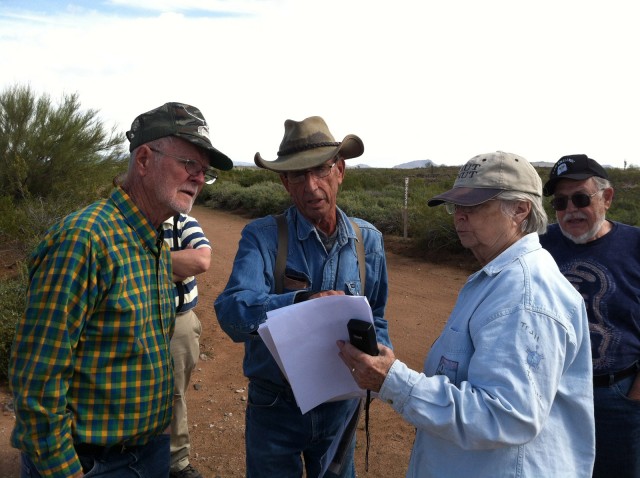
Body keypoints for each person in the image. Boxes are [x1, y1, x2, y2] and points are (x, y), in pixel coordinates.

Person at [338, 151, 596, 477]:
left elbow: (505, 416)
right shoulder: (502, 279)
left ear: (520, 209)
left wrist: (393, 381)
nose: (459, 215)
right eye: (457, 205)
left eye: (473, 205)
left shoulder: (524, 296)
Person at [9, 102, 232, 478]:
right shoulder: (84, 240)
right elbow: (37, 381)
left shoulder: (155, 239)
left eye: (204, 171)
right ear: (144, 159)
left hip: (148, 452)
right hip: (93, 463)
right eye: (188, 164)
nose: (197, 177)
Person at [214, 116, 391, 477]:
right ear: (284, 182)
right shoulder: (263, 237)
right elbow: (231, 311)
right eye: (298, 175)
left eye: (321, 171)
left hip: (341, 407)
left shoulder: (367, 241)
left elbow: (378, 315)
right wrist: (298, 303)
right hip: (276, 405)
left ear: (339, 170)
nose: (311, 186)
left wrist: (381, 353)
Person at [539, 154, 640, 478]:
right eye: (561, 202)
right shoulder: (540, 246)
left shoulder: (635, 245)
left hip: (616, 396)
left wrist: (634, 394)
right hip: (553, 396)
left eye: (580, 199)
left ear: (607, 198)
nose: (570, 210)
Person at [163, 213, 212, 478]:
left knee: (174, 394)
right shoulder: (126, 223)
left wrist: (142, 263)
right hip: (137, 319)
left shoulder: (184, 223)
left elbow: (201, 260)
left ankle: (176, 461)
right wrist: (176, 264)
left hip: (178, 322)